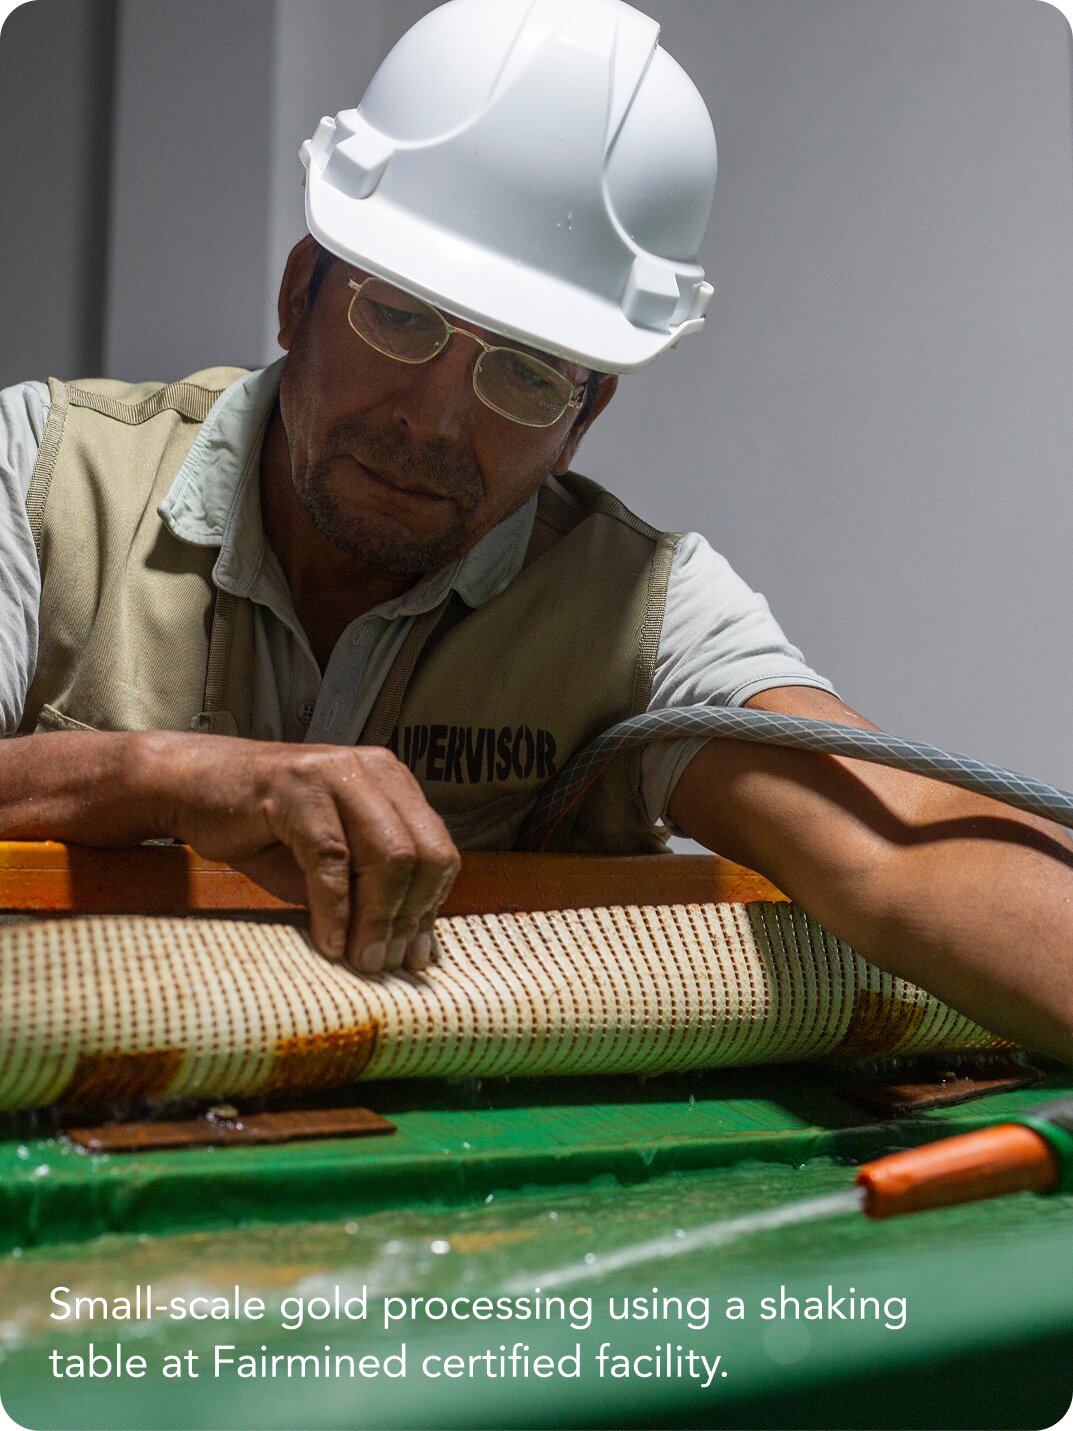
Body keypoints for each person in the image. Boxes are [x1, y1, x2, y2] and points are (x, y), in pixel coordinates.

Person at [0, 0, 1070, 1061]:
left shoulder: (637, 612)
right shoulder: (44, 468)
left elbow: (902, 848)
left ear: (581, 419)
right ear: (298, 297)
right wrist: (166, 778)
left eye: (523, 372)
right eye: (400, 317)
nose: (431, 418)